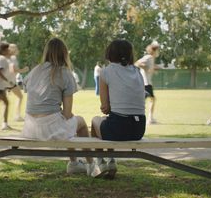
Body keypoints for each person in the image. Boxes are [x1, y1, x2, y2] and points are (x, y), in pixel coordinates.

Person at [21, 38, 101, 177]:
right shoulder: (64, 73)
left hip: (29, 128)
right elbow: (67, 113)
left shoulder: (35, 71)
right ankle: (91, 165)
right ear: (64, 54)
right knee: (78, 122)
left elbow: (29, 92)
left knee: (67, 123)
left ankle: (74, 164)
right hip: (50, 129)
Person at [91, 39, 146, 179]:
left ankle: (102, 162)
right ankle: (111, 161)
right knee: (108, 121)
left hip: (119, 128)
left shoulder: (105, 72)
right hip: (139, 129)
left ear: (110, 53)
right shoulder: (138, 71)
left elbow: (105, 107)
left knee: (96, 121)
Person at [0, 44, 29, 124]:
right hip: (9, 82)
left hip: (7, 82)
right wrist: (23, 70)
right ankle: (16, 116)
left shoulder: (7, 58)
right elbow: (12, 70)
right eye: (16, 48)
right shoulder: (12, 58)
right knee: (19, 97)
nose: (17, 50)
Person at [135, 41, 160, 124]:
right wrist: (146, 68)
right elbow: (137, 63)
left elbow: (149, 67)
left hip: (146, 83)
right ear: (154, 51)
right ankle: (149, 119)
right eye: (157, 50)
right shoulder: (148, 57)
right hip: (146, 83)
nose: (158, 52)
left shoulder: (151, 58)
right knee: (151, 100)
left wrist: (154, 68)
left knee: (146, 101)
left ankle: (146, 118)